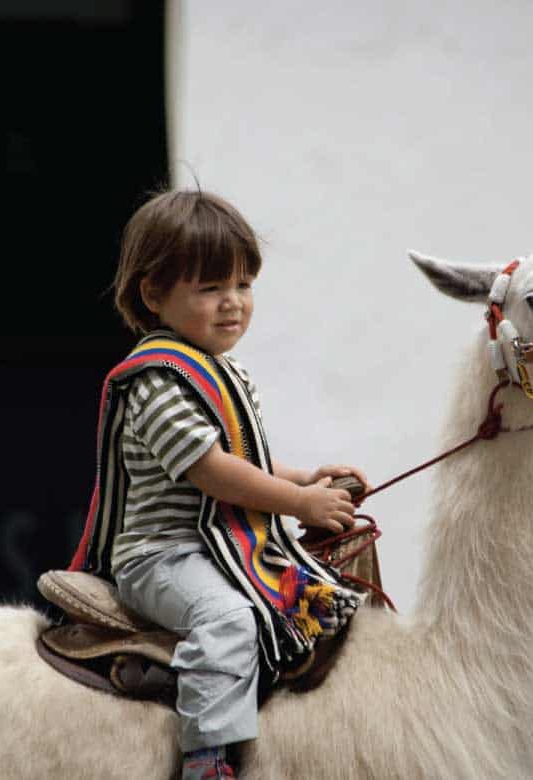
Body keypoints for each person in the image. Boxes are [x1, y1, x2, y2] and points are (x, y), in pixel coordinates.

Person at [71, 190, 367, 780]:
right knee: (229, 619)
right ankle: (207, 758)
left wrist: (305, 476)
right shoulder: (158, 380)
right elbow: (213, 471)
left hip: (220, 548)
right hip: (163, 557)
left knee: (324, 594)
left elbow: (245, 459)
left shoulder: (224, 370)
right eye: (210, 289)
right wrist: (302, 502)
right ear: (153, 294)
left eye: (243, 285)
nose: (233, 304)